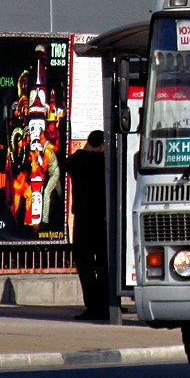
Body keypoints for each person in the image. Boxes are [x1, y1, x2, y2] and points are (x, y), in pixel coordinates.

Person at [65, 130, 108, 321]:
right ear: (102, 146)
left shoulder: (78, 160)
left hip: (83, 219)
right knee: (105, 264)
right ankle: (107, 304)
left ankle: (92, 306)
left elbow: (66, 163)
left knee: (85, 264)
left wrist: (86, 149)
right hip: (104, 219)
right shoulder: (107, 162)